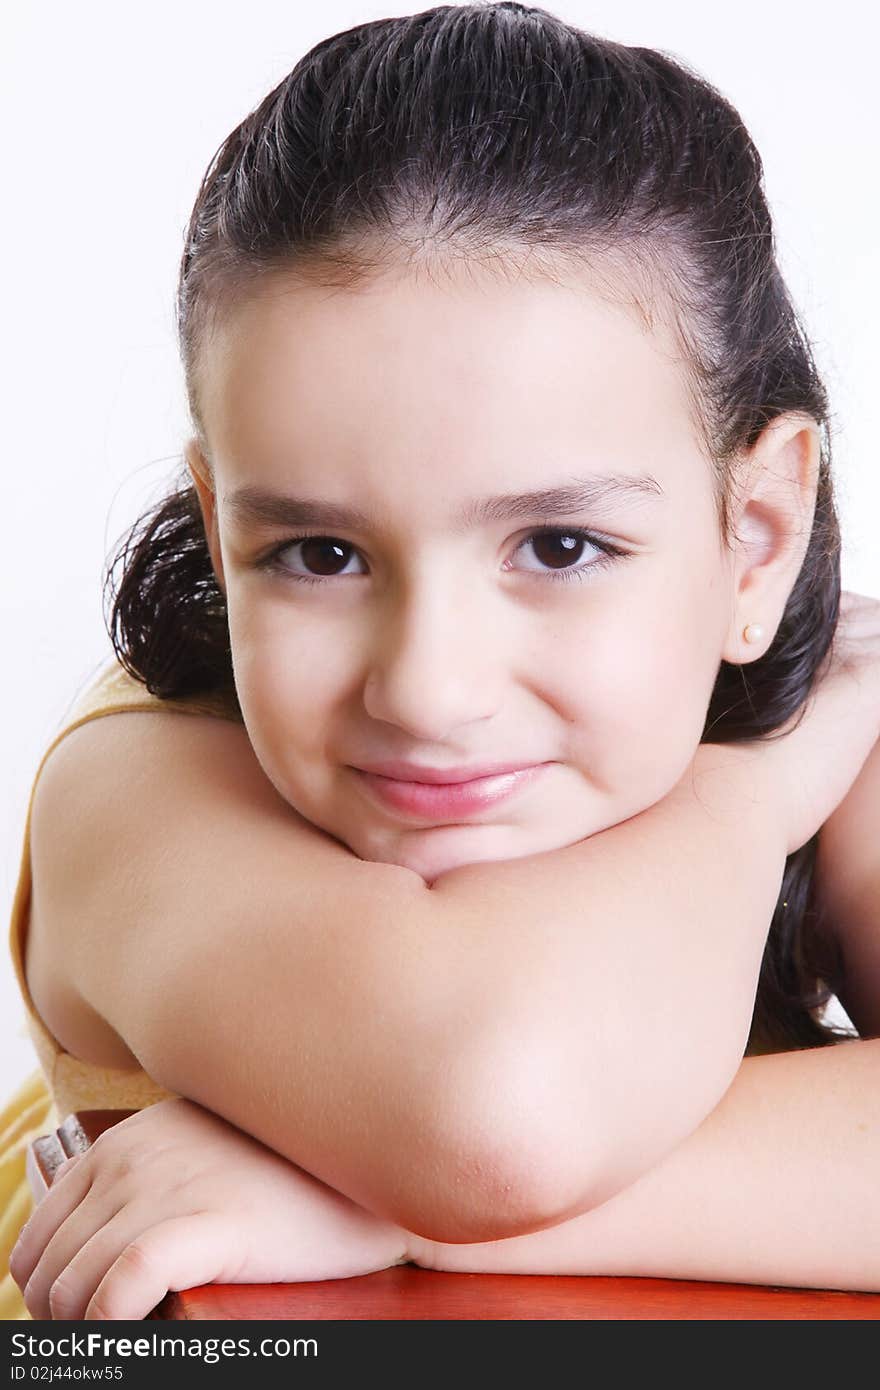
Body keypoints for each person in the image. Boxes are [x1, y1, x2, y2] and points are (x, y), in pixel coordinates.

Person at [4, 1, 880, 1319]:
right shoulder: (132, 790)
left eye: (562, 545)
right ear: (218, 513)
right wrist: (763, 788)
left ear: (754, 540)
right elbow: (493, 1106)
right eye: (317, 555)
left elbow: (486, 1170)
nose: (425, 687)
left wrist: (364, 1206)